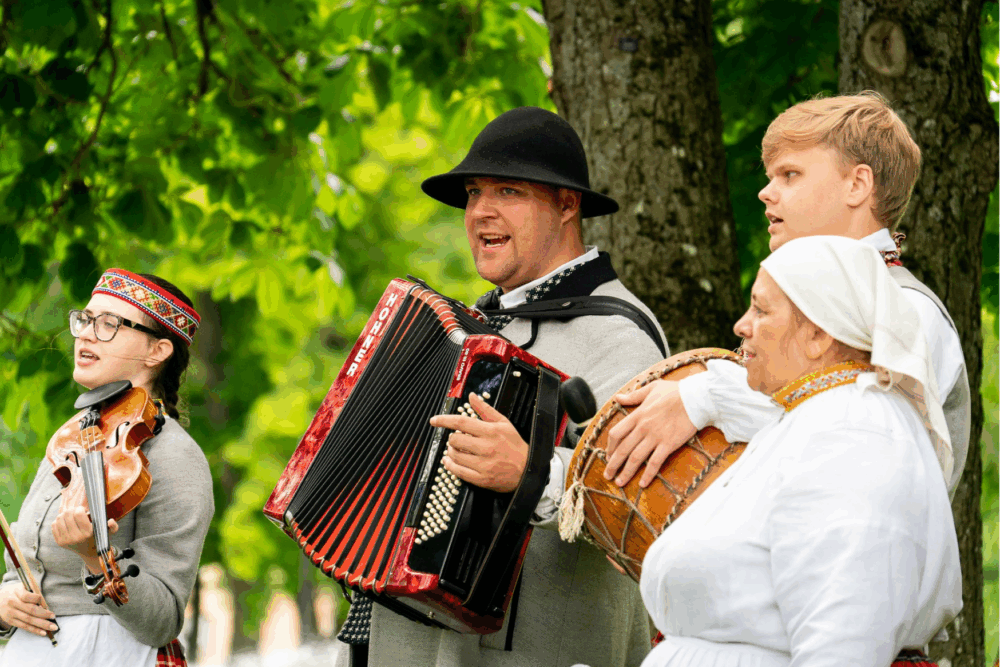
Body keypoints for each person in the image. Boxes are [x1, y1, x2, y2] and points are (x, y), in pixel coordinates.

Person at [333, 107, 668, 667]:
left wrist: (529, 471)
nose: (480, 211)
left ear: (567, 205)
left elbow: (637, 511)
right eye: (472, 193)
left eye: (507, 191)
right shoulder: (474, 325)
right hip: (402, 641)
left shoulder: (619, 336)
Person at [603, 92, 970, 498]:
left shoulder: (910, 310)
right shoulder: (806, 305)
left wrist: (704, 395)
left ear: (857, 184)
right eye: (770, 176)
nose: (765, 192)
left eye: (790, 175)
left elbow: (854, 431)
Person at [638, 235, 961, 666]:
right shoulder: (819, 419)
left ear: (817, 335)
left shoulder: (853, 439)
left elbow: (841, 647)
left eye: (761, 309)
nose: (741, 325)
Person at [0, 269, 214, 667]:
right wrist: (6, 600)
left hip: (112, 655)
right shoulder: (74, 440)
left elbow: (163, 619)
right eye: (85, 320)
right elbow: (24, 568)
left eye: (109, 324)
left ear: (158, 351)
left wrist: (96, 560)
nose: (84, 333)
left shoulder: (174, 457)